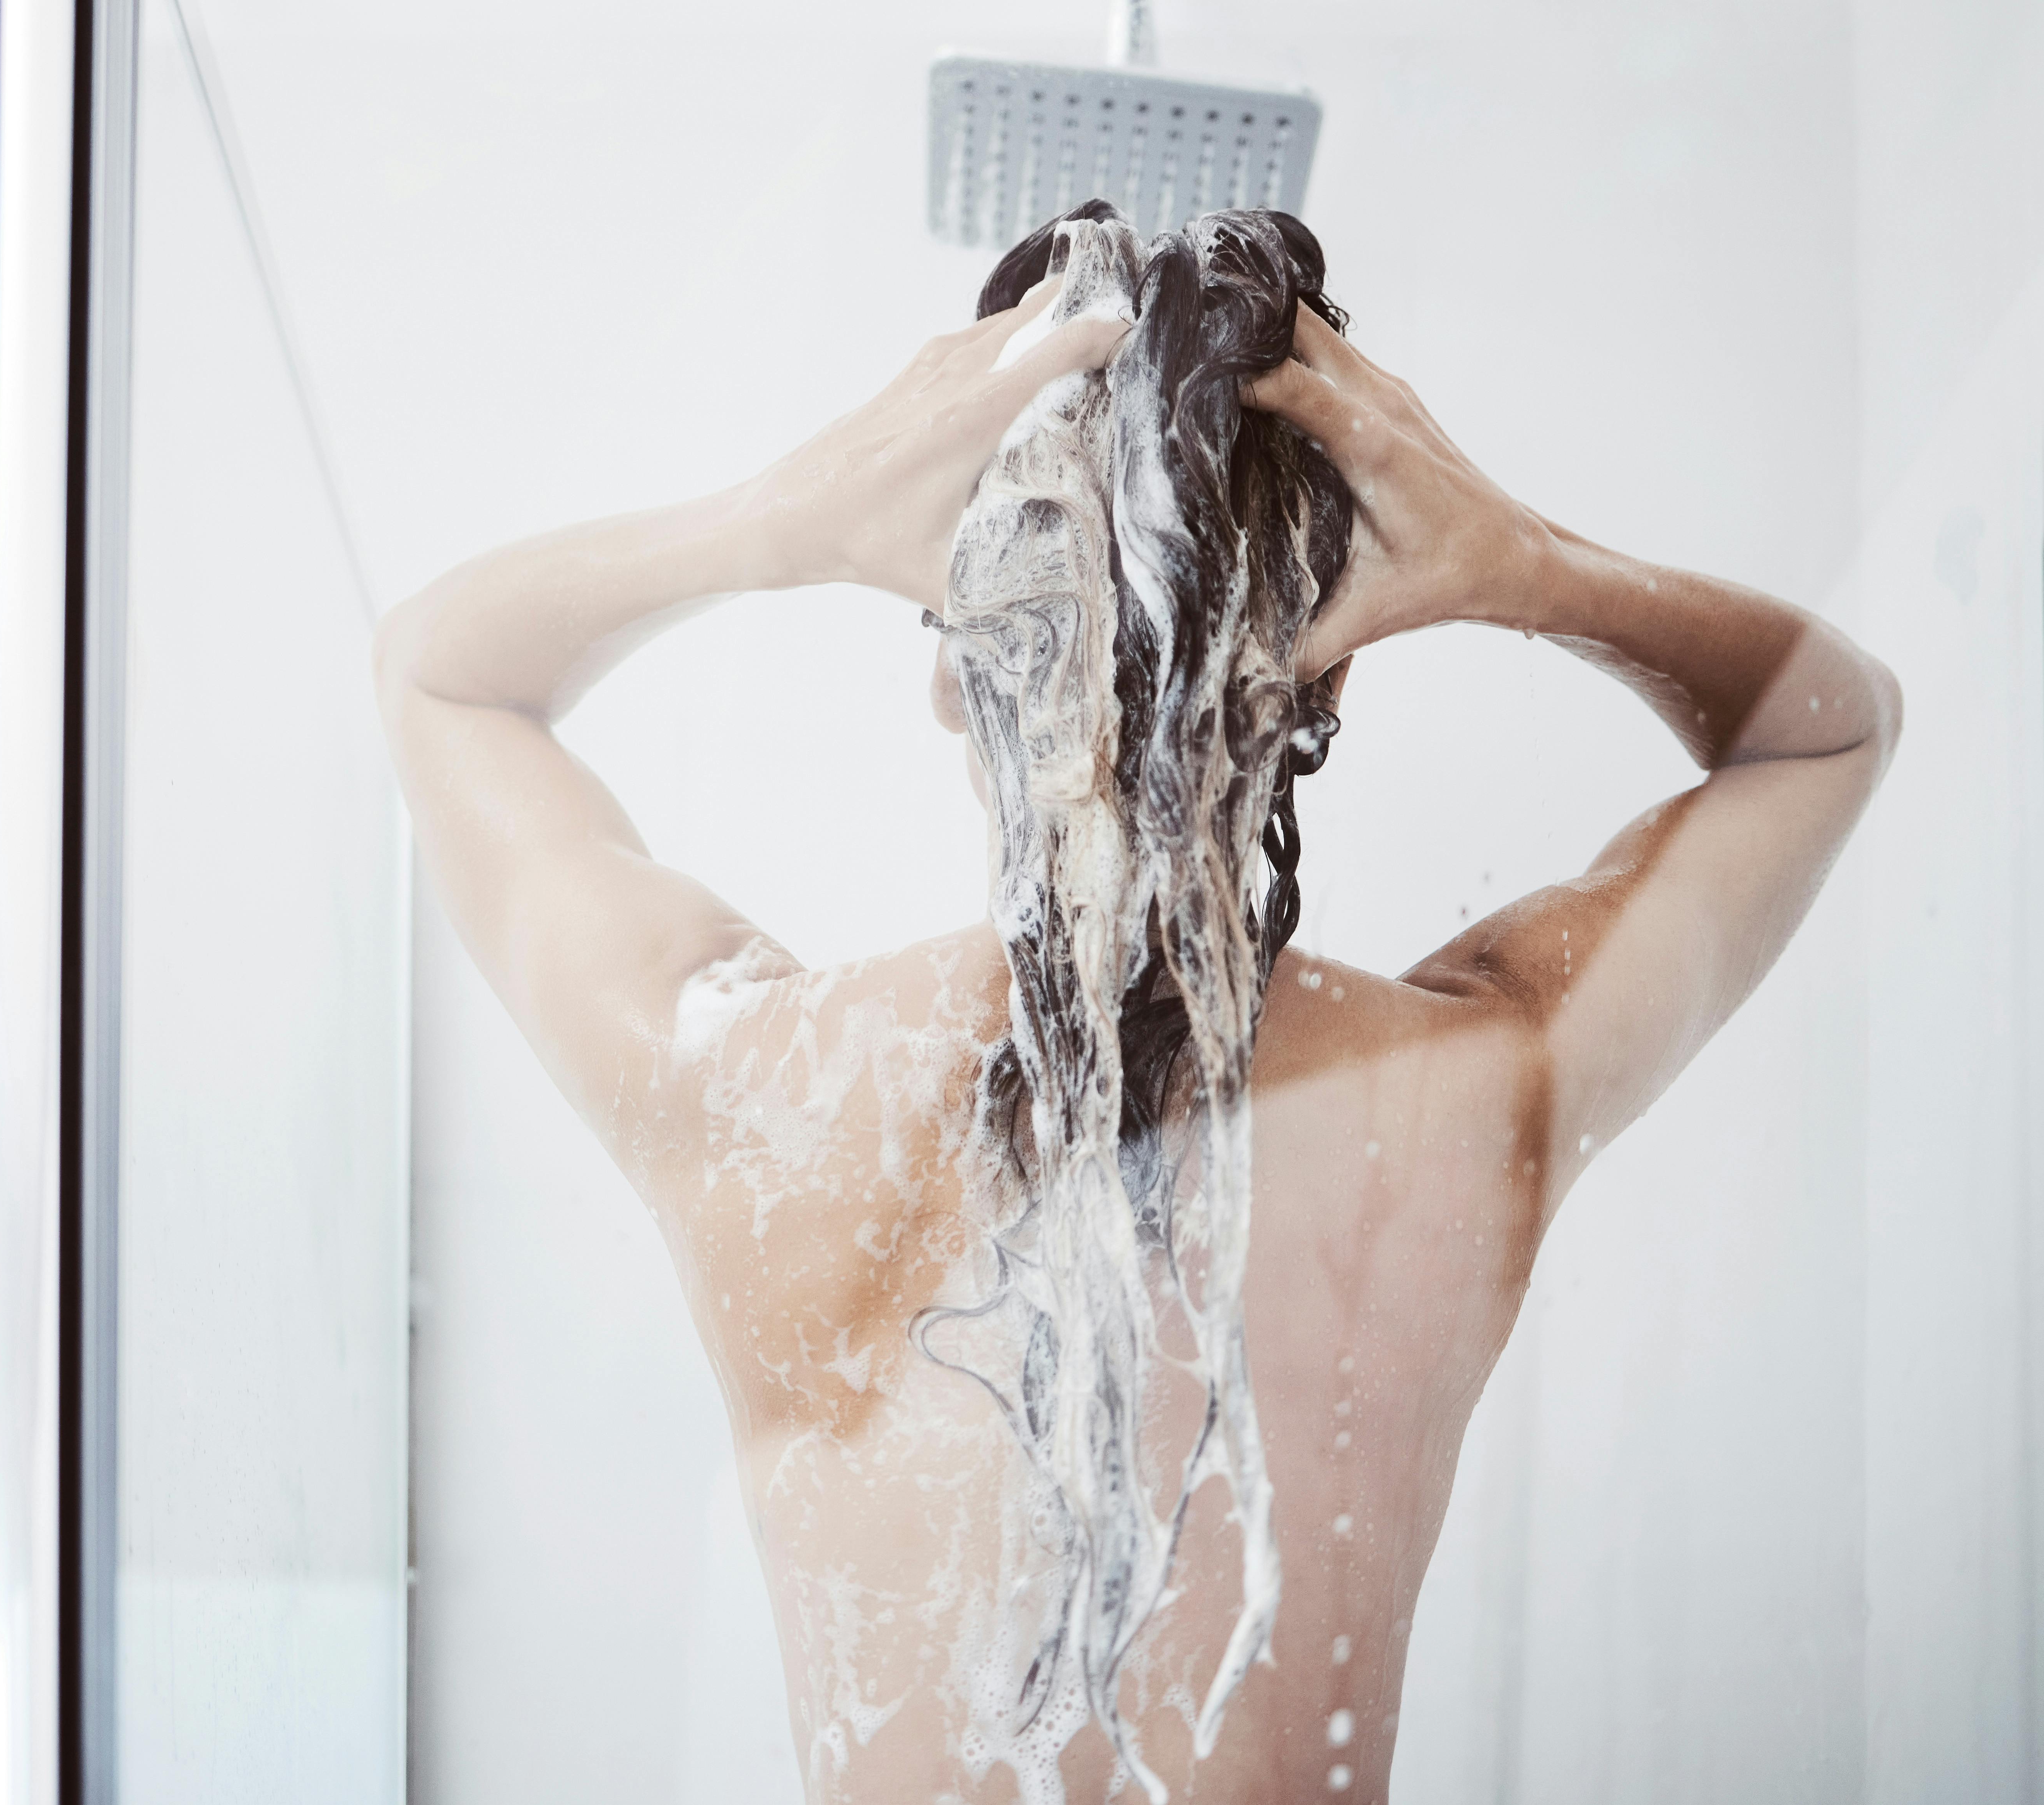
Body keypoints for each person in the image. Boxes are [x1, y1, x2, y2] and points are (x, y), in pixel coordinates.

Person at [371, 235, 1901, 1803]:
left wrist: (784, 520)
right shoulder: (1466, 1096)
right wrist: (1517, 559)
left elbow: (441, 682)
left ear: (958, 675)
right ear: (1329, 677)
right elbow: (1822, 736)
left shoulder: (762, 1096)